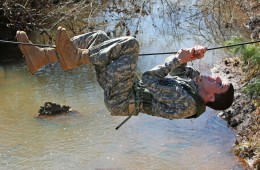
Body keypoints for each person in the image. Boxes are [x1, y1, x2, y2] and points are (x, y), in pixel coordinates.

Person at [16, 26, 234, 119]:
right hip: (123, 90)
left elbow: (149, 79)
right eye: (219, 78)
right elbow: (181, 70)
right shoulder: (194, 89)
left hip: (122, 97)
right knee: (100, 39)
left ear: (212, 97)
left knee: (130, 44)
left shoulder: (188, 103)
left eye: (219, 83)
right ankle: (41, 57)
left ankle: (76, 57)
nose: (215, 77)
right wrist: (192, 55)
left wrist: (177, 58)